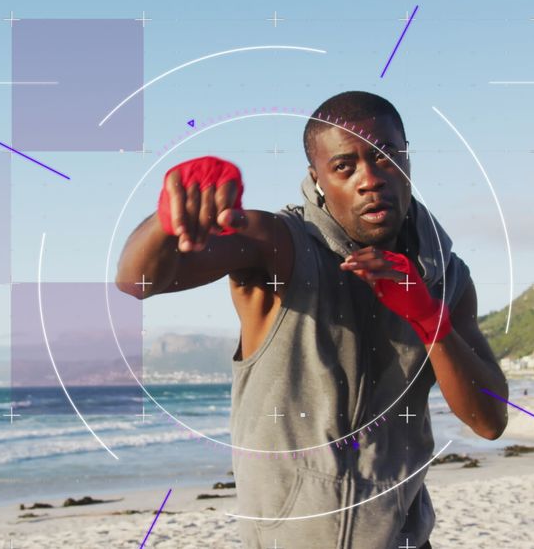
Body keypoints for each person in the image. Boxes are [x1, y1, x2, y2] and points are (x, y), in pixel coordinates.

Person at [116, 91, 509, 548]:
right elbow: (137, 283)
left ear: (407, 162)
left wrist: (428, 319)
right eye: (345, 166)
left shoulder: (448, 278)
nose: (370, 180)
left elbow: (489, 420)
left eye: (385, 158)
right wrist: (167, 220)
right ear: (317, 178)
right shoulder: (280, 246)